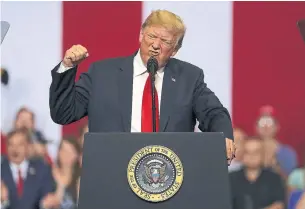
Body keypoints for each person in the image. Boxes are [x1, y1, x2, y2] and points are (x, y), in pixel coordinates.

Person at [49, 9, 235, 162]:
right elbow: (63, 113)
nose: (155, 45)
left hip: (168, 180)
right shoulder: (102, 74)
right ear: (140, 35)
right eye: (151, 36)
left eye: (165, 42)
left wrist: (224, 136)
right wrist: (67, 66)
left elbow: (214, 113)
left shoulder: (189, 77)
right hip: (112, 176)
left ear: (175, 50)